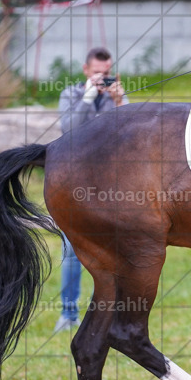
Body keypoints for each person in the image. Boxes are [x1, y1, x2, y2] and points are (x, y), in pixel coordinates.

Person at [54, 47, 127, 333]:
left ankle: (115, 312)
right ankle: (68, 314)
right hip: (75, 183)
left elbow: (134, 132)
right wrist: (89, 95)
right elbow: (69, 128)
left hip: (112, 184)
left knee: (118, 248)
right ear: (86, 70)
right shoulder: (70, 94)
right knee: (72, 250)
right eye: (98, 73)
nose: (102, 78)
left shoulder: (115, 96)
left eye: (107, 73)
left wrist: (120, 101)